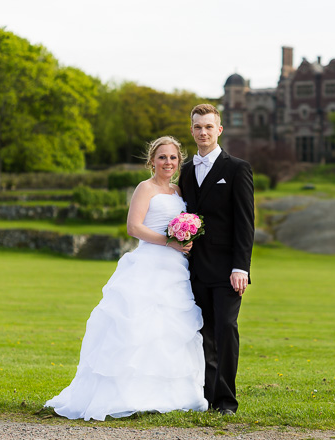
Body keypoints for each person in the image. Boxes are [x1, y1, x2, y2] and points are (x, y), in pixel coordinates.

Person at [45, 136, 208, 421]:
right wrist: (168, 242)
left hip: (176, 268)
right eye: (162, 157)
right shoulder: (144, 188)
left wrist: (186, 238)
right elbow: (133, 227)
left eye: (172, 157)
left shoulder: (178, 190)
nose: (167, 163)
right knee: (138, 327)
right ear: (152, 161)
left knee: (170, 329)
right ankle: (126, 393)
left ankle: (168, 394)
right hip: (150, 262)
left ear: (178, 160)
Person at [178, 104, 255, 415]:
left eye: (209, 127)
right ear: (192, 130)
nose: (203, 132)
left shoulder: (237, 168)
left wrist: (241, 267)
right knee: (203, 333)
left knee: (225, 329)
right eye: (198, 127)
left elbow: (245, 222)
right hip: (194, 268)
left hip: (227, 270)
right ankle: (206, 398)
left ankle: (225, 401)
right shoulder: (184, 170)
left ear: (219, 130)